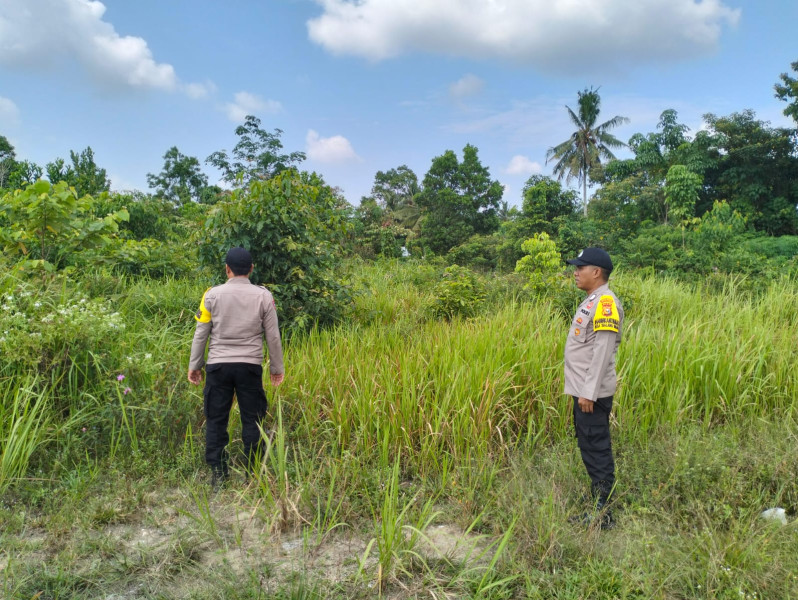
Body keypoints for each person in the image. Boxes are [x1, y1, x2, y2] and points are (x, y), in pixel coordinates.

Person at [188, 247, 285, 489]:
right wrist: (276, 367)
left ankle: (219, 475)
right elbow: (273, 336)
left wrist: (195, 365)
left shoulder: (211, 295)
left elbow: (201, 334)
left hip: (218, 366)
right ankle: (252, 473)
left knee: (216, 418)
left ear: (227, 269)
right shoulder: (264, 296)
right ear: (251, 269)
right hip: (249, 366)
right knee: (252, 419)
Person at [563, 247, 623, 529]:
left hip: (591, 393)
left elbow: (602, 351)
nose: (575, 273)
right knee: (589, 446)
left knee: (597, 448)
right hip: (584, 390)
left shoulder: (606, 303)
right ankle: (598, 502)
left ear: (596, 272)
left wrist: (588, 392)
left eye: (580, 268)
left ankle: (604, 515)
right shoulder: (593, 300)